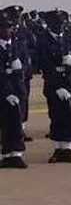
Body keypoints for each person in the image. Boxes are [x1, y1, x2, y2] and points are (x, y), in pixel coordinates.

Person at [37, 9, 71, 163]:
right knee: (56, 115)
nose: (60, 26)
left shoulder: (70, 39)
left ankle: (68, 148)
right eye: (56, 23)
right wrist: (57, 86)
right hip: (53, 84)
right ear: (49, 24)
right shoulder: (43, 40)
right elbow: (43, 64)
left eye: (62, 23)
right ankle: (58, 148)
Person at [0, 11, 28, 168]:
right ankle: (5, 154)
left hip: (19, 90)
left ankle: (16, 154)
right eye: (3, 27)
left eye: (9, 27)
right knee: (4, 123)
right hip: (3, 92)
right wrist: (6, 92)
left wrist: (21, 68)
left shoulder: (19, 46)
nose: (6, 31)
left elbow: (29, 66)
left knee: (17, 122)